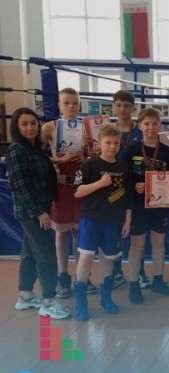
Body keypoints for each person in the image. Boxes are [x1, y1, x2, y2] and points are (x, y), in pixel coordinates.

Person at [7, 107, 71, 319]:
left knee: (29, 251)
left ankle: (25, 295)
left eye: (33, 123)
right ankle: (48, 301)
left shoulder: (33, 148)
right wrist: (39, 212)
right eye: (24, 124)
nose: (30, 128)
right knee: (46, 253)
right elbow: (20, 186)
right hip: (33, 211)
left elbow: (39, 167)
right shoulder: (16, 150)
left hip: (40, 207)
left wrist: (58, 161)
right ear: (16, 127)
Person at [72, 125, 133, 320]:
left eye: (116, 143)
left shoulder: (123, 168)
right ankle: (81, 302)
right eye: (108, 143)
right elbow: (77, 191)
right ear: (99, 143)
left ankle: (106, 298)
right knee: (86, 258)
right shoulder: (89, 164)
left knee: (108, 259)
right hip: (91, 219)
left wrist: (127, 221)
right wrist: (99, 184)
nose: (112, 147)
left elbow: (128, 197)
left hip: (113, 221)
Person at [41, 88, 95, 298]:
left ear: (79, 104)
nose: (71, 106)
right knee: (61, 233)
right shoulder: (50, 127)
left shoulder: (88, 127)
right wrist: (58, 160)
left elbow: (99, 156)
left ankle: (82, 276)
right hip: (61, 186)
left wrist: (88, 157)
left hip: (82, 187)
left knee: (80, 233)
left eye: (75, 102)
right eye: (67, 102)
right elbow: (36, 155)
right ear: (59, 105)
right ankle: (62, 276)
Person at [124, 108, 169, 304]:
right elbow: (123, 178)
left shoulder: (167, 152)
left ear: (160, 126)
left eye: (155, 124)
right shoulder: (131, 150)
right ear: (140, 126)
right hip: (138, 205)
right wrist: (134, 185)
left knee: (158, 242)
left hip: (160, 204)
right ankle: (133, 284)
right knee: (137, 244)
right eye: (146, 124)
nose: (151, 128)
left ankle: (158, 280)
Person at [110, 90, 151, 290]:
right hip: (112, 186)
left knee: (137, 233)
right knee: (114, 231)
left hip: (136, 188)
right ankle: (116, 272)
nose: (122, 109)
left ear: (133, 108)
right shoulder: (107, 130)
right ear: (113, 107)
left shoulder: (140, 131)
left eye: (126, 105)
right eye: (118, 105)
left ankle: (139, 271)